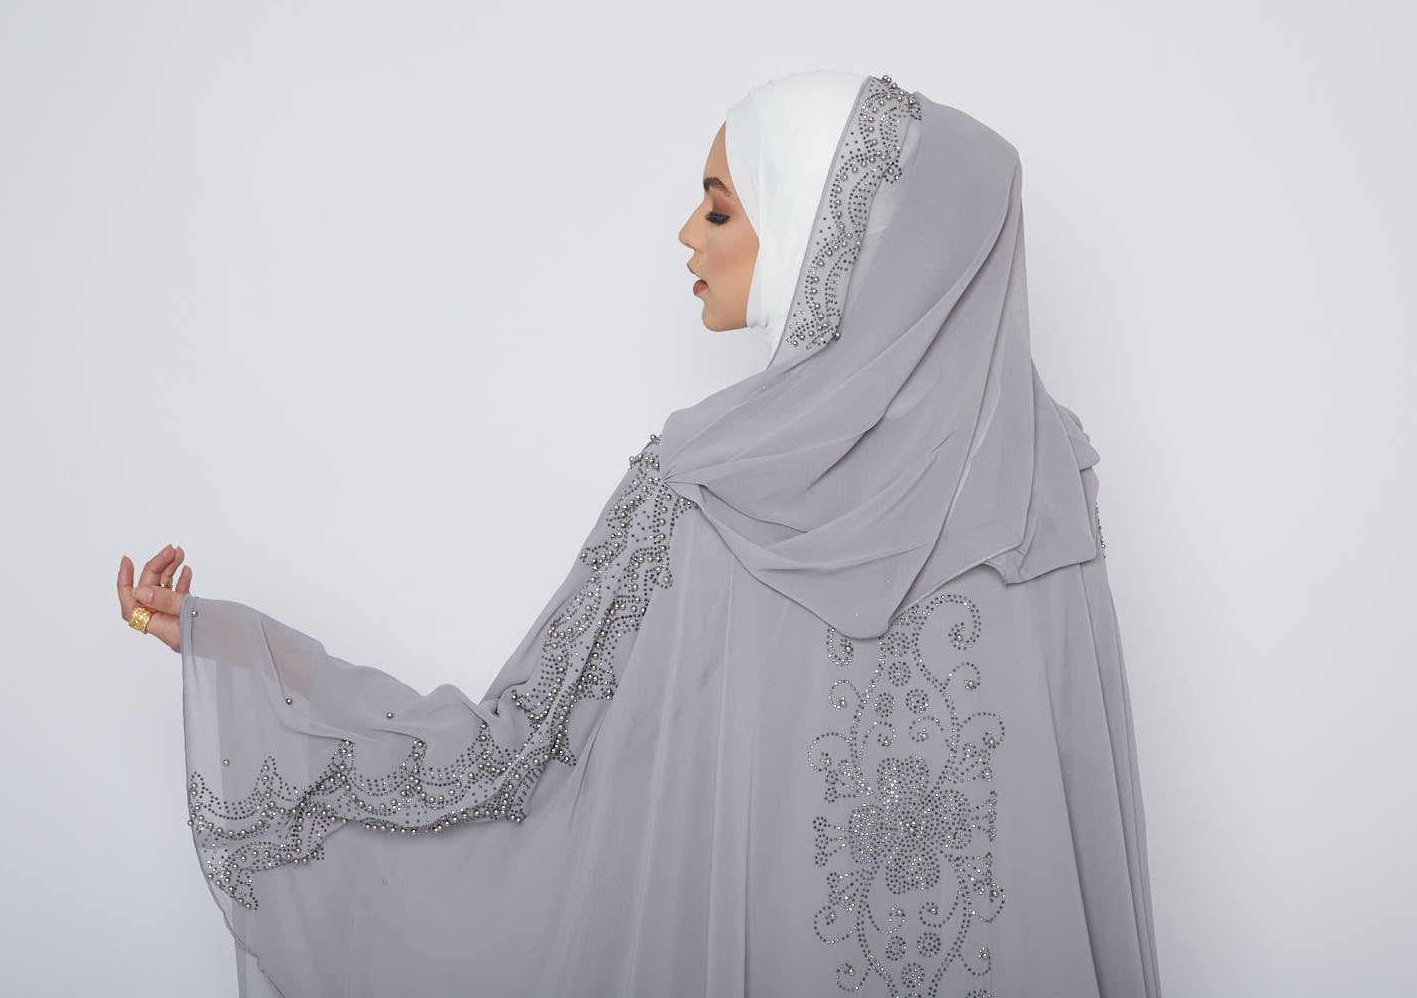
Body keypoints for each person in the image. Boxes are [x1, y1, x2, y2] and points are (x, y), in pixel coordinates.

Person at [115, 70, 1161, 998]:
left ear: (827, 230)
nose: (688, 235)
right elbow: (533, 761)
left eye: (721, 205)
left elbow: (503, 769)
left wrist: (238, 656)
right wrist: (235, 645)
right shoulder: (1039, 496)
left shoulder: (718, 488)